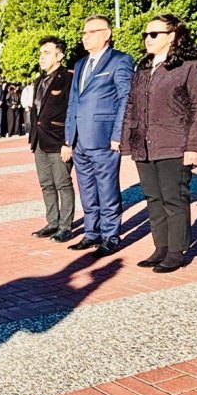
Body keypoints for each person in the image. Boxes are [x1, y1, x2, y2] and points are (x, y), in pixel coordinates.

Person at [121, 15, 197, 273]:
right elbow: (131, 105)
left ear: (171, 36)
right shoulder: (144, 67)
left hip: (174, 142)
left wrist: (194, 145)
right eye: (146, 35)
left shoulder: (188, 65)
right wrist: (127, 140)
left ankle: (176, 251)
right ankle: (160, 246)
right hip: (144, 144)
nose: (148, 39)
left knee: (174, 198)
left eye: (154, 34)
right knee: (152, 197)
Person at [63, 15, 135, 258]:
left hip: (104, 137)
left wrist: (118, 134)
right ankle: (91, 233)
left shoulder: (120, 61)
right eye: (83, 33)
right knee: (86, 189)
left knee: (107, 188)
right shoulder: (81, 64)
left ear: (106, 34)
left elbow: (126, 99)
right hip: (80, 139)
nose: (85, 37)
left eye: (91, 32)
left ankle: (110, 235)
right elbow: (74, 101)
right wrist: (68, 138)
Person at [29, 36, 75, 243]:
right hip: (39, 140)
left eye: (46, 53)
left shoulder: (68, 78)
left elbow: (72, 111)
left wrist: (69, 142)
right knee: (46, 184)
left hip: (59, 141)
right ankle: (52, 222)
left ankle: (66, 226)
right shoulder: (39, 80)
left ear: (60, 55)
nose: (41, 57)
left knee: (62, 184)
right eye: (41, 53)